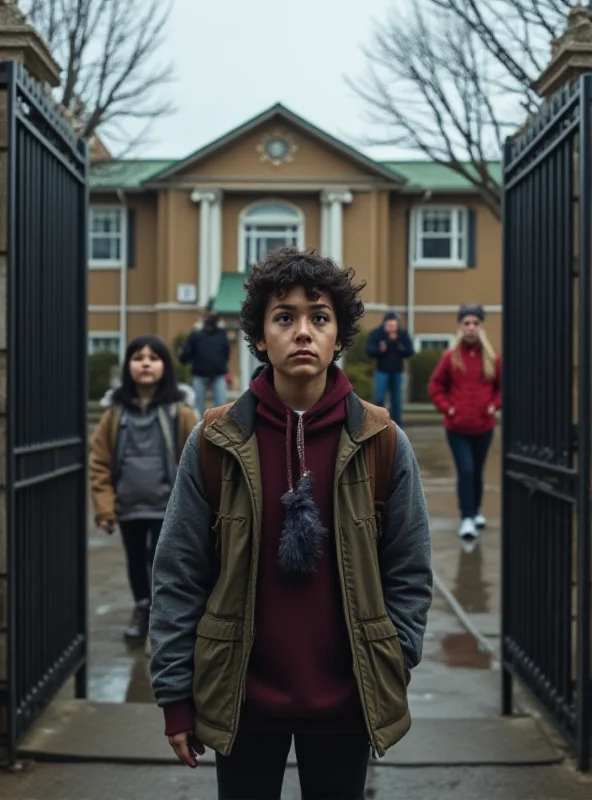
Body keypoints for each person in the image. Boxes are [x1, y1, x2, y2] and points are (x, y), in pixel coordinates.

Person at [149, 248, 432, 800]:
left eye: (319, 317)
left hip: (346, 701)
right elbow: (179, 571)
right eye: (285, 317)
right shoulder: (214, 441)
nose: (303, 331)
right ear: (259, 337)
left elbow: (410, 568)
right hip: (241, 699)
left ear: (338, 336)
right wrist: (176, 694)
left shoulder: (381, 441)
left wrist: (391, 658)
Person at [89, 335, 198, 641]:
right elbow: (99, 463)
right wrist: (105, 508)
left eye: (154, 357)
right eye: (138, 358)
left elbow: (200, 458)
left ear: (166, 366)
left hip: (168, 506)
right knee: (136, 559)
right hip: (129, 505)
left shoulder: (181, 413)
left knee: (163, 562)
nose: (146, 363)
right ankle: (141, 607)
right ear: (128, 367)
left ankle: (165, 614)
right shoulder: (114, 415)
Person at [428, 304, 502, 543]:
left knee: (477, 471)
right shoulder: (451, 357)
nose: (471, 327)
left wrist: (493, 405)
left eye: (475, 323)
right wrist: (448, 408)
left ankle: (477, 511)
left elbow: (502, 388)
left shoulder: (492, 358)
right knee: (466, 470)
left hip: (483, 426)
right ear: (460, 326)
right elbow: (435, 387)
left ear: (481, 327)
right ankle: (467, 517)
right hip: (457, 428)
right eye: (467, 323)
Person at [366, 311, 414, 426]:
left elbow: (410, 351)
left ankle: (397, 425)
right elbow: (369, 351)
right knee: (379, 398)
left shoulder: (402, 335)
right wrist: (380, 350)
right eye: (390, 325)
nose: (392, 328)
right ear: (385, 324)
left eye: (394, 326)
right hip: (382, 371)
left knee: (396, 401)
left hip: (397, 371)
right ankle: (379, 423)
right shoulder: (377, 334)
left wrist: (399, 346)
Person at [179, 311, 230, 417]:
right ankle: (199, 430)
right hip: (199, 374)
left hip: (218, 374)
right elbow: (185, 355)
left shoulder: (221, 334)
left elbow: (226, 353)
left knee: (220, 405)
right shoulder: (196, 335)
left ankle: (218, 428)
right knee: (198, 407)